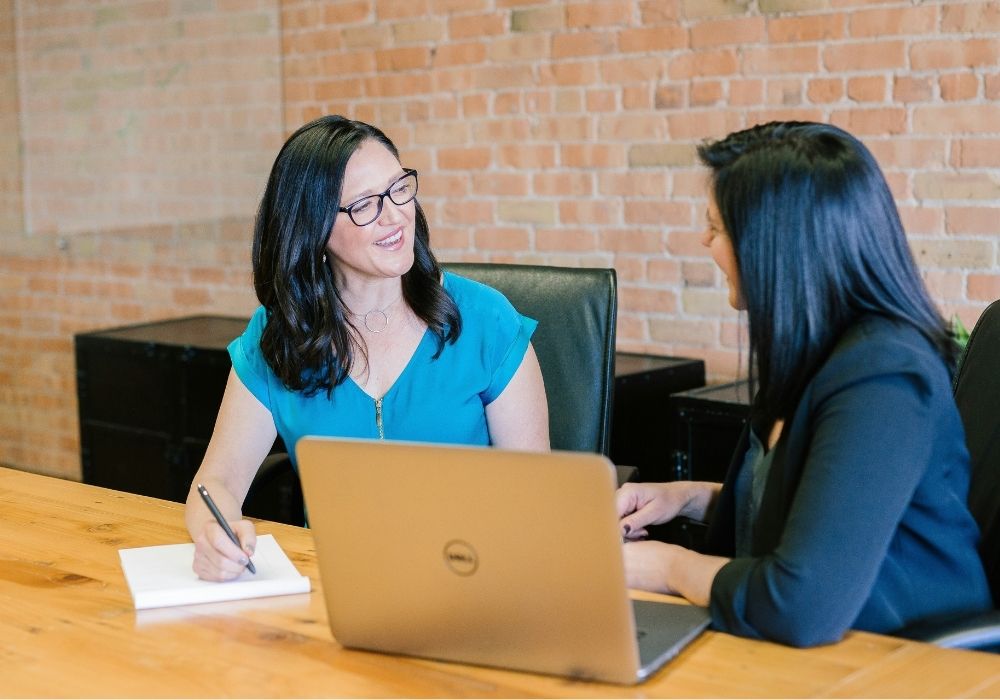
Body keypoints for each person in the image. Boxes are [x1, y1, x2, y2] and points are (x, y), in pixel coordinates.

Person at [617, 121, 991, 647]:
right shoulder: (814, 352)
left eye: (716, 228)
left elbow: (798, 604)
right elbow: (812, 509)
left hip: (906, 658)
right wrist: (686, 497)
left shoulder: (884, 377)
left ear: (775, 246)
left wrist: (668, 567)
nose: (704, 241)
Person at [186, 116, 549, 581]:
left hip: (471, 579)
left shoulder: (486, 321)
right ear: (313, 230)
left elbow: (535, 498)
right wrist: (213, 537)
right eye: (364, 205)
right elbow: (214, 483)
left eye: (400, 189)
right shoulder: (278, 338)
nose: (396, 215)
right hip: (334, 587)